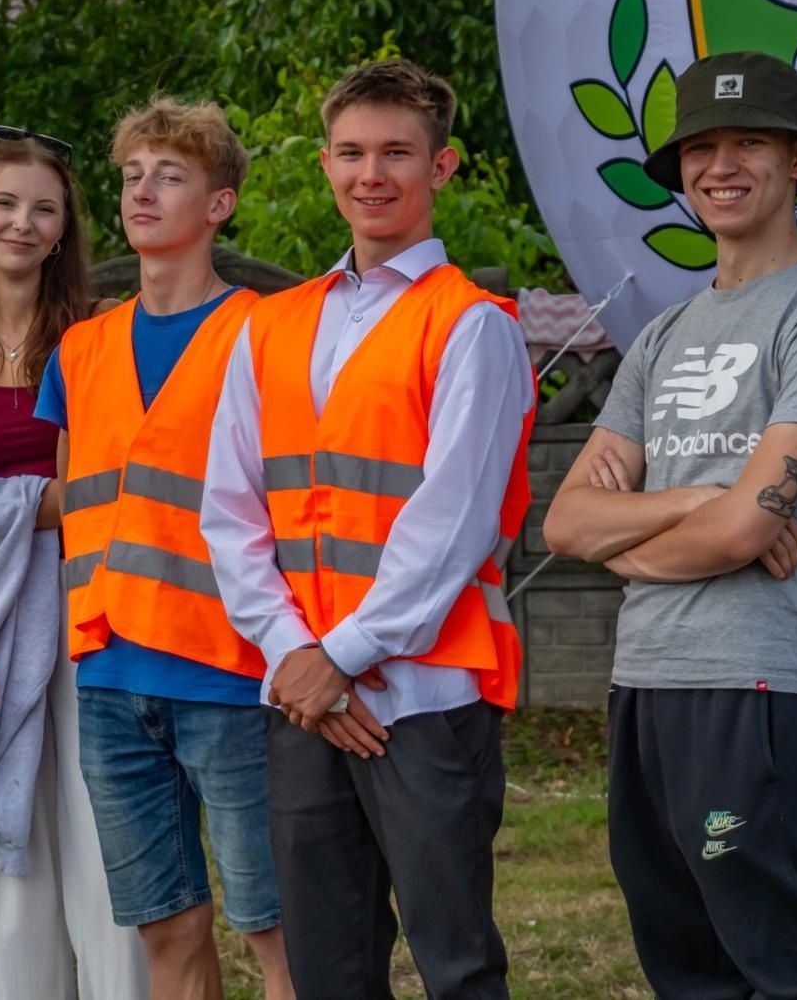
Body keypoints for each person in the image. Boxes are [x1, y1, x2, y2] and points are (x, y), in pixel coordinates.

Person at [542, 50, 797, 998]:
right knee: (685, 963)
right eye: (701, 147)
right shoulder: (662, 332)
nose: (720, 166)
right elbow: (567, 522)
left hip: (755, 681)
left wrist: (658, 531)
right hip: (644, 683)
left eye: (749, 143)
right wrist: (700, 498)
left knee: (794, 967)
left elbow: (745, 534)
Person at [201, 58, 536, 1000]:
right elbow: (230, 511)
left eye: (397, 151)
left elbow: (454, 522)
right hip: (302, 695)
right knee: (325, 966)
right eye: (351, 152)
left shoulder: (471, 325)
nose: (372, 174)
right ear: (324, 165)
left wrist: (337, 657)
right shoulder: (267, 326)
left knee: (456, 962)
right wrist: (297, 658)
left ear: (444, 166)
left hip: (422, 699)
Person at [33, 97, 294, 1000]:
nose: (143, 191)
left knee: (277, 929)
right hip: (110, 681)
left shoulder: (267, 335)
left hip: (232, 671)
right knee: (166, 935)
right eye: (132, 175)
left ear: (219, 204)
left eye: (170, 175)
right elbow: (76, 500)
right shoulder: (81, 348)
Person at [0, 125, 148, 999]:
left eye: (43, 208)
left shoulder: (94, 338)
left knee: (99, 832)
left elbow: (94, 494)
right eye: (5, 203)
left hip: (89, 611)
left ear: (63, 229)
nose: (23, 221)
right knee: (8, 858)